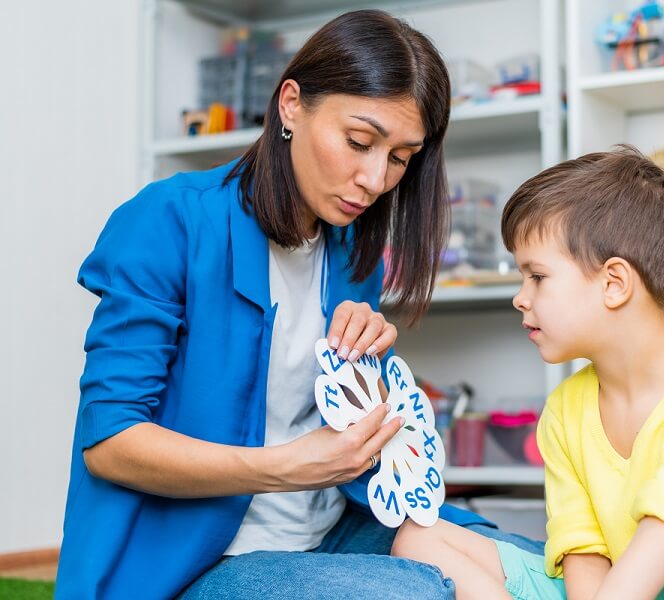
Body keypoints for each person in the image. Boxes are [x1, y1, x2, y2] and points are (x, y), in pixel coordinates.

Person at [56, 10, 540, 599]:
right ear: (291, 104)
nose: (374, 178)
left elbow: (333, 413)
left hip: (327, 526)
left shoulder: (347, 246)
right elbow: (111, 444)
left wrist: (374, 373)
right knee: (416, 592)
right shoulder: (170, 220)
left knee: (529, 562)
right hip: (198, 560)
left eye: (400, 158)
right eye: (359, 141)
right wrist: (287, 465)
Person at [391, 147, 664, 600]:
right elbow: (582, 550)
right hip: (611, 589)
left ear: (614, 284)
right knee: (419, 539)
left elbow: (661, 541)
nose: (520, 297)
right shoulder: (566, 408)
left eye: (537, 276)